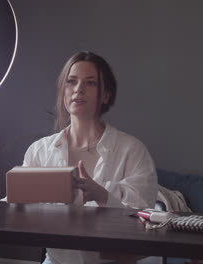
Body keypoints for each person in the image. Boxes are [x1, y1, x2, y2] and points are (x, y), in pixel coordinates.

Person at [22, 51, 158, 264]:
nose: (78, 89)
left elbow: (143, 221)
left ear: (106, 95)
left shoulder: (132, 150)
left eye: (91, 83)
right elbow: (20, 210)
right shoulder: (39, 151)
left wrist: (102, 195)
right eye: (71, 82)